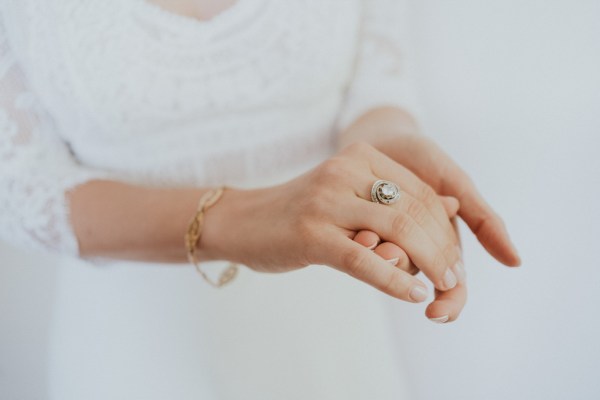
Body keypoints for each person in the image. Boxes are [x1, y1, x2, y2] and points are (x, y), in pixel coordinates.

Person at [0, 1, 520, 399]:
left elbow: (376, 86)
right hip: (131, 338)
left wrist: (386, 158)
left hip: (327, 323)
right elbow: (21, 185)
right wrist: (233, 220)